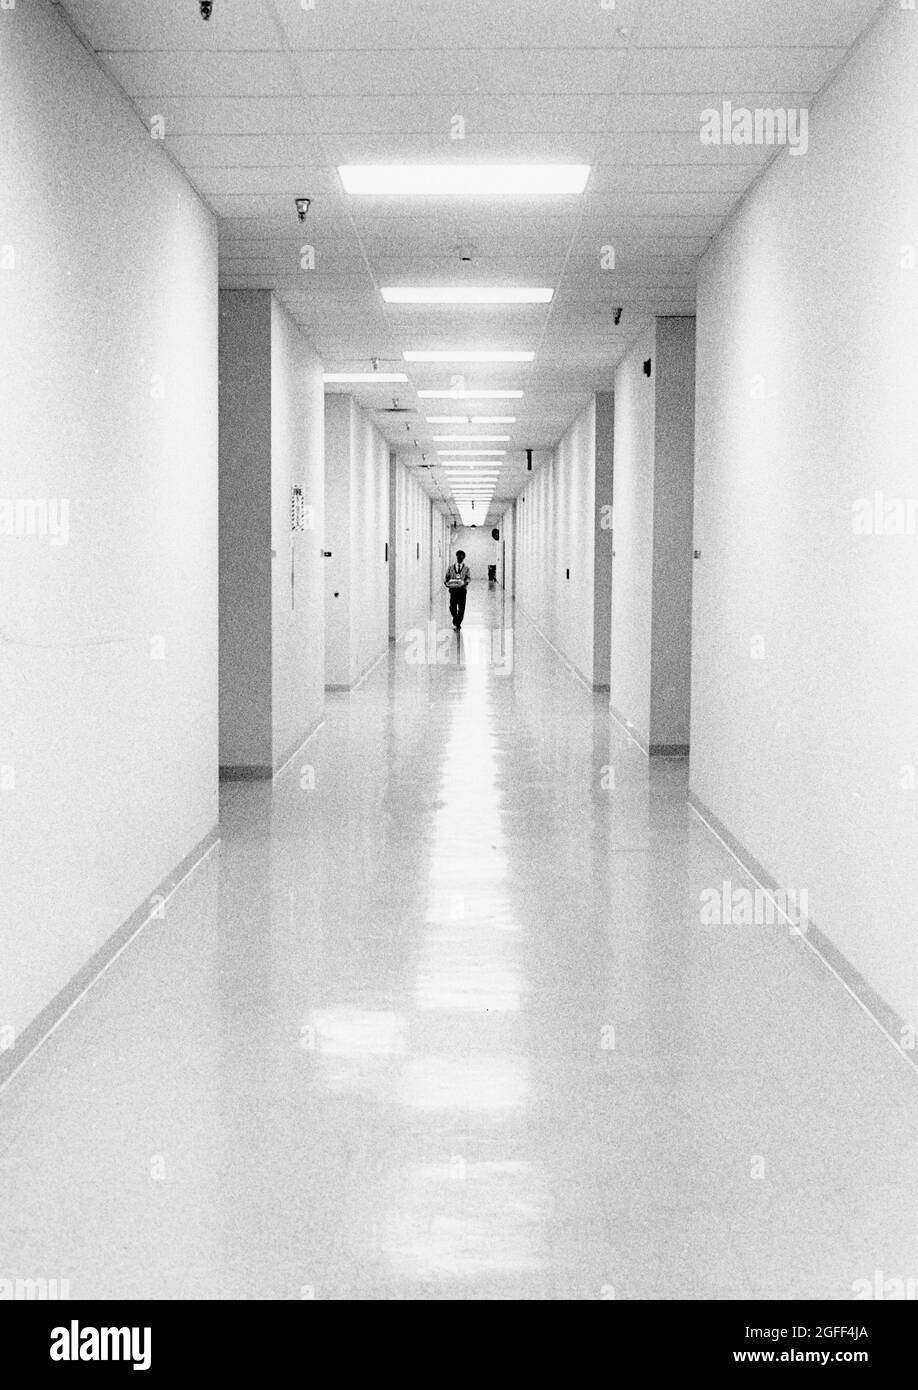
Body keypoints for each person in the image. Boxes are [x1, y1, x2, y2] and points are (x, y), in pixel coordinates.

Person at [444, 549, 470, 629]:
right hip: (453, 590)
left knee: (461, 608)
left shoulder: (466, 568)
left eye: (461, 557)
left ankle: (458, 623)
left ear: (464, 558)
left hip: (462, 591)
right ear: (456, 557)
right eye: (458, 556)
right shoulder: (451, 567)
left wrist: (464, 584)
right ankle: (455, 618)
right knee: (452, 607)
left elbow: (468, 578)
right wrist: (446, 583)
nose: (460, 558)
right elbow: (447, 577)